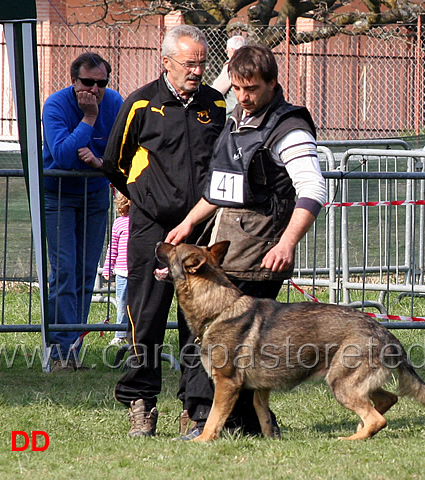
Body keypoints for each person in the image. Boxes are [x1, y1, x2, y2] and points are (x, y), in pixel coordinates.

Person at [165, 44, 327, 440]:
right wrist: (188, 223)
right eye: (237, 88)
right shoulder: (238, 118)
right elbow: (225, 189)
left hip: (259, 254)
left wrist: (287, 243)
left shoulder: (289, 129)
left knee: (220, 343)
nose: (243, 96)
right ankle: (248, 425)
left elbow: (313, 189)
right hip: (226, 247)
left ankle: (206, 422)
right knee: (210, 340)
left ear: (273, 83)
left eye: (251, 88)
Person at [102, 25, 226, 437]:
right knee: (148, 315)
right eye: (189, 63)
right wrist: (146, 198)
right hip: (151, 229)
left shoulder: (216, 103)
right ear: (167, 61)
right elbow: (114, 162)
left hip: (201, 228)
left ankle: (197, 408)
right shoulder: (141, 102)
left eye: (202, 63)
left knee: (200, 319)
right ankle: (141, 401)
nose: (196, 70)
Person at [42, 52, 123, 372]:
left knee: (85, 272)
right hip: (58, 195)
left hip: (95, 196)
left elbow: (120, 153)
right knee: (64, 271)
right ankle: (59, 350)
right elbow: (61, 155)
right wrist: (89, 118)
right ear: (73, 81)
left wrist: (101, 163)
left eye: (101, 83)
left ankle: (72, 347)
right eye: (87, 82)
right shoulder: (57, 105)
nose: (95, 89)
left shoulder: (114, 102)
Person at [102, 191, 131, 346]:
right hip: (123, 272)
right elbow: (112, 248)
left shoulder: (146, 223)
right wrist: (108, 268)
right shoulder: (119, 223)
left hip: (139, 272)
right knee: (122, 303)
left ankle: (135, 333)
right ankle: (120, 334)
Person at [212, 35, 247, 117]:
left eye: (227, 51)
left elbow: (217, 90)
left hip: (232, 113)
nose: (227, 54)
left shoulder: (231, 66)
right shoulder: (251, 64)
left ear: (232, 50)